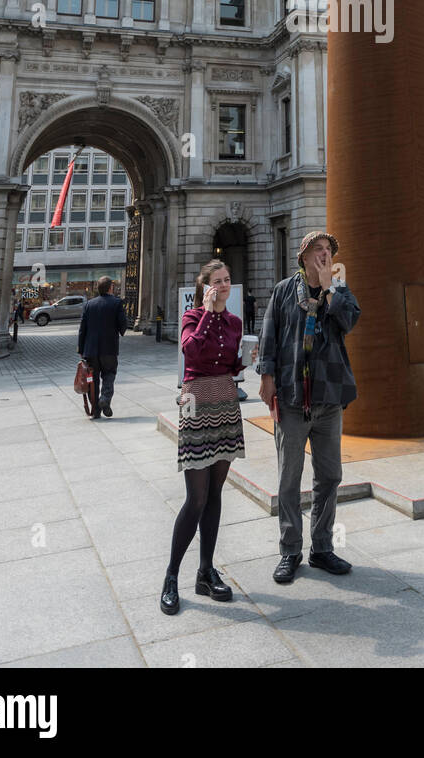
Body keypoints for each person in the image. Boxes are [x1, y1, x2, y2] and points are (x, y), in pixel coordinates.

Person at [256, 230, 361, 585]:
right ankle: (290, 550)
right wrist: (266, 377)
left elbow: (349, 321)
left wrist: (331, 286)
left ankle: (321, 548)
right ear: (303, 256)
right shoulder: (284, 290)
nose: (324, 254)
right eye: (317, 249)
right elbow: (269, 335)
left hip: (329, 396)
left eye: (328, 250)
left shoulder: (339, 291)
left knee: (330, 476)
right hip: (291, 396)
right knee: (290, 477)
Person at [161, 259, 245, 614]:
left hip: (225, 399)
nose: (224, 286)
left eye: (227, 280)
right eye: (217, 282)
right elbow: (191, 352)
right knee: (195, 498)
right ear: (204, 286)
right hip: (196, 400)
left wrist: (245, 362)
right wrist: (209, 313)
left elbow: (226, 363)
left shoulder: (236, 323)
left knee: (214, 494)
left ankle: (206, 571)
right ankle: (170, 577)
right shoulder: (193, 318)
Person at [76, 275, 127, 419]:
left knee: (93, 381)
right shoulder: (117, 303)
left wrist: (80, 349)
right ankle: (104, 399)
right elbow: (123, 326)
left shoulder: (88, 304)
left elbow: (82, 329)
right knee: (109, 374)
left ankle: (96, 411)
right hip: (109, 348)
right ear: (110, 287)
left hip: (90, 350)